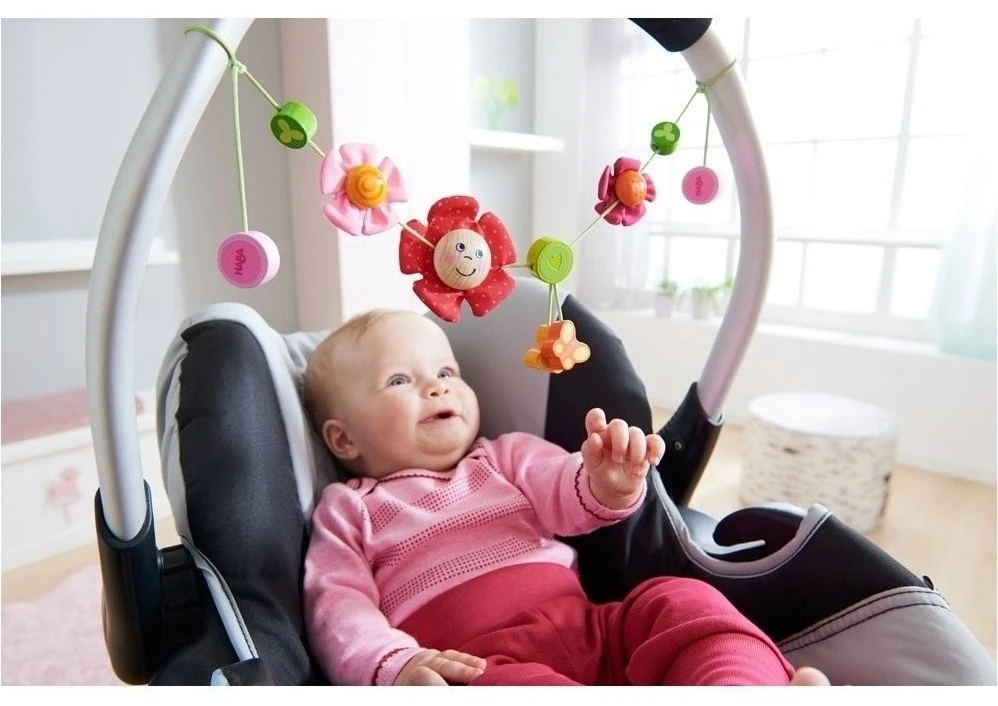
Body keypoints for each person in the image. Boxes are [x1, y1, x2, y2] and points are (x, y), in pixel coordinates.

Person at [302, 308, 830, 687]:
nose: (438, 388)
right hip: (482, 666)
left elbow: (564, 488)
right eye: (399, 380)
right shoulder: (349, 509)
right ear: (343, 440)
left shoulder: (503, 457)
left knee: (679, 601)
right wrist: (394, 666)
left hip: (592, 628)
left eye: (446, 373)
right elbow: (337, 608)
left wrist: (607, 480)